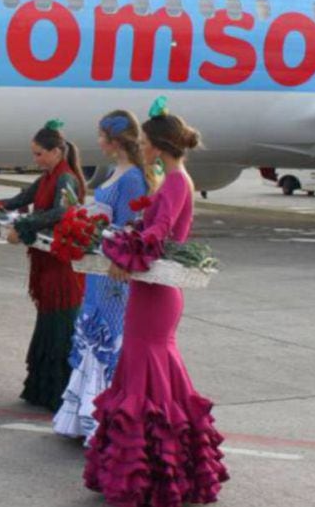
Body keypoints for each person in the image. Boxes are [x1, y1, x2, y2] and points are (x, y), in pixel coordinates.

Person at [84, 105, 229, 505]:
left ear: (159, 148)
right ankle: (160, 469)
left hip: (156, 293)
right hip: (152, 289)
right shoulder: (174, 178)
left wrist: (120, 255)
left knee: (148, 375)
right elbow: (149, 232)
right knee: (151, 373)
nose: (142, 148)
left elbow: (157, 238)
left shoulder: (177, 183)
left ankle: (155, 474)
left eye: (145, 143)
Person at [0, 120, 88, 411]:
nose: (36, 159)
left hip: (59, 264)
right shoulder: (49, 176)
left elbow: (61, 211)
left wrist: (25, 224)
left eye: (39, 153)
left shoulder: (65, 178)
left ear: (56, 152)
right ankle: (47, 390)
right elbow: (19, 200)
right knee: (49, 322)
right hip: (46, 260)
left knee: (58, 324)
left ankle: (59, 393)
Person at [53, 110, 150, 440]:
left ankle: (106, 421)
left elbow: (129, 225)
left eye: (101, 135)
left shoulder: (133, 177)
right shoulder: (115, 171)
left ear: (114, 139)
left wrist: (99, 234)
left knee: (108, 337)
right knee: (92, 333)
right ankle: (86, 416)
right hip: (99, 264)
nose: (97, 141)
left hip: (114, 269)